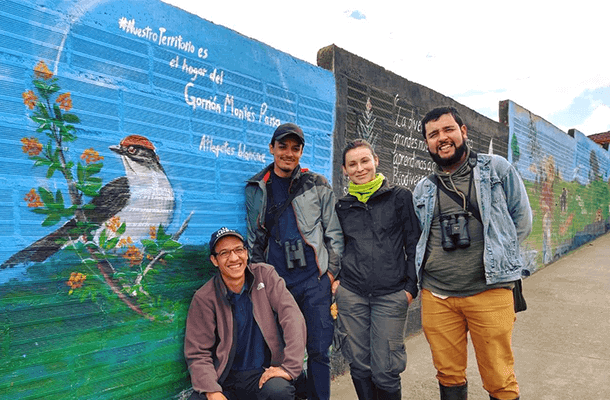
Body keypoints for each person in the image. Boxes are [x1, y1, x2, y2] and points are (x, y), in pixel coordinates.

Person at [412, 106, 532, 400]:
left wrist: (499, 255)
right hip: (437, 295)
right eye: (433, 134)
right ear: (427, 142)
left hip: (489, 291)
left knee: (499, 377)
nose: (442, 138)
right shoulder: (423, 188)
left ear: (463, 132)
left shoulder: (497, 169)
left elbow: (522, 221)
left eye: (448, 130)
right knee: (448, 374)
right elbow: (420, 236)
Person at [245, 122, 344, 400]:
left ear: (301, 152)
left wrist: (331, 275)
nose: (288, 153)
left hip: (314, 282)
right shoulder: (256, 187)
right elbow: (255, 239)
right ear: (272, 148)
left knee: (318, 350)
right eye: (283, 147)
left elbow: (334, 233)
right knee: (283, 349)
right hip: (278, 284)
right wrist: (258, 279)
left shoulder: (317, 184)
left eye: (295, 148)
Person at [333, 139, 419, 400]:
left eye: (364, 161)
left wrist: (410, 288)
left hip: (391, 296)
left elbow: (414, 244)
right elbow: (337, 246)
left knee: (386, 369)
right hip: (352, 295)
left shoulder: (400, 198)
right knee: (359, 365)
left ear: (376, 161)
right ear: (344, 170)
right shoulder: (342, 206)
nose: (360, 168)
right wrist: (337, 282)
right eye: (352, 164)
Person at [184, 227, 307, 400]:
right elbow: (197, 352)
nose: (234, 258)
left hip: (264, 374)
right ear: (214, 260)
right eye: (224, 253)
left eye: (238, 250)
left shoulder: (265, 275)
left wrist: (289, 367)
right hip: (226, 380)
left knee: (279, 391)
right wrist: (212, 390)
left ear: (246, 253)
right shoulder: (204, 298)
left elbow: (292, 318)